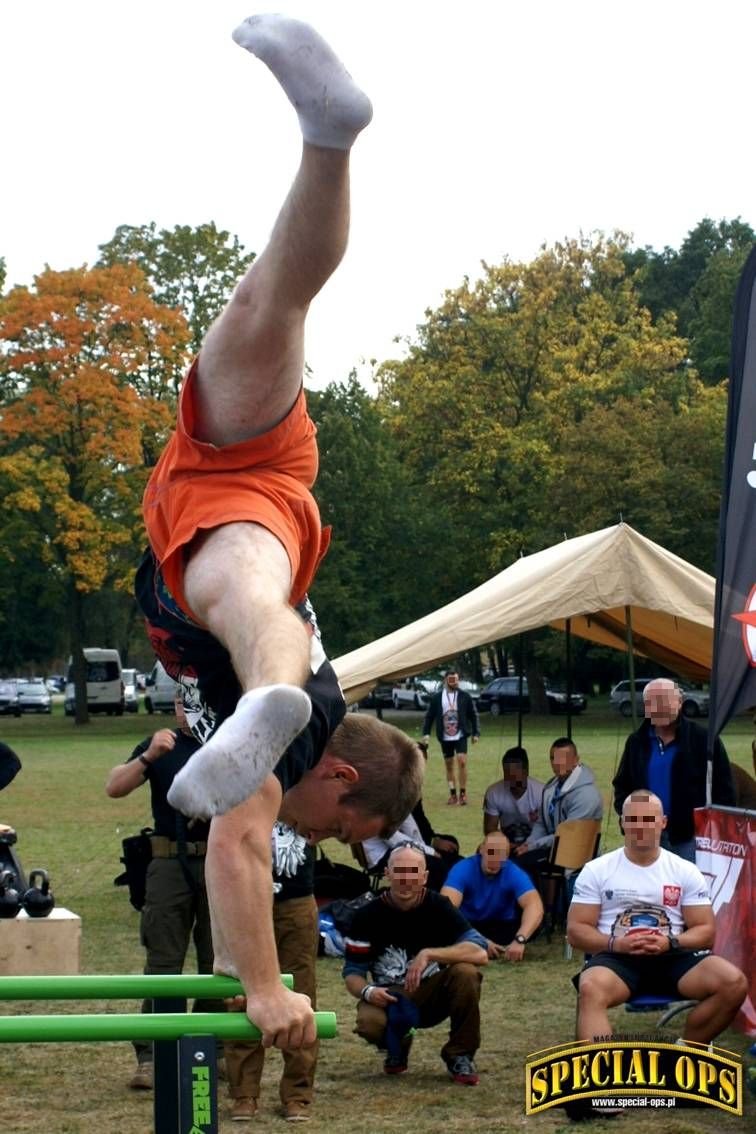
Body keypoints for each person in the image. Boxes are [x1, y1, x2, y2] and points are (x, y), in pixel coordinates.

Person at [133, 14, 425, 1050]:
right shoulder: (298, 743)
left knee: (274, 298)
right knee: (250, 597)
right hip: (226, 542)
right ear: (340, 780)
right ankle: (263, 680)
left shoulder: (322, 710)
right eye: (342, 831)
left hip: (245, 469)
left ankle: (328, 138)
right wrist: (262, 987)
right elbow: (240, 844)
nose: (328, 843)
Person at [567, 790, 747, 1044]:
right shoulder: (597, 870)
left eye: (649, 820)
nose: (641, 827)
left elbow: (706, 931)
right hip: (616, 957)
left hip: (674, 955)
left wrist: (671, 942)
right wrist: (616, 943)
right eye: (634, 819)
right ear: (622, 823)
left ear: (663, 822)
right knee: (590, 988)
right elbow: (576, 931)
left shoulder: (684, 870)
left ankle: (687, 1050)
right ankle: (601, 1071)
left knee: (734, 982)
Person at [105, 700, 220, 1090]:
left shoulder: (225, 739)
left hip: (220, 862)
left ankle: (209, 1050)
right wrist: (149, 757)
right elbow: (114, 787)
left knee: (217, 963)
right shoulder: (161, 743)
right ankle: (152, 1055)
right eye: (181, 702)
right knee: (163, 962)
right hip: (169, 861)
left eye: (195, 700)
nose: (187, 710)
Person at [342, 843, 488, 1084]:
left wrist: (430, 954)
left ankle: (460, 1054)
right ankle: (397, 1044)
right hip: (391, 996)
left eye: (413, 871)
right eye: (399, 870)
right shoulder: (365, 915)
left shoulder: (440, 906)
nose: (406, 878)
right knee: (369, 1023)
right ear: (387, 873)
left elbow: (479, 952)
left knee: (466, 973)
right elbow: (352, 972)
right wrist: (368, 991)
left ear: (424, 876)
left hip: (434, 992)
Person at [224, 825, 319, 1123]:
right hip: (246, 899)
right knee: (243, 993)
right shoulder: (243, 783)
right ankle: (244, 1093)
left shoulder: (305, 781)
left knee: (302, 995)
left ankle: (297, 1094)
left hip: (297, 898)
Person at [612, 678, 735, 862]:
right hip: (646, 836)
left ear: (679, 703)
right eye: (653, 701)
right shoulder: (636, 742)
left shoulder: (703, 740)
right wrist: (630, 818)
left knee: (689, 888)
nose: (659, 706)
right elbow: (623, 785)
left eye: (665, 700)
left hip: (691, 837)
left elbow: (724, 789)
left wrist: (713, 829)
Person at [441, 832, 543, 960]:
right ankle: (475, 943)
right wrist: (479, 939)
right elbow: (446, 907)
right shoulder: (463, 869)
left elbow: (534, 905)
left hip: (501, 925)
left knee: (534, 924)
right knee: (445, 925)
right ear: (481, 850)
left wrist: (520, 939)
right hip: (469, 924)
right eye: (491, 852)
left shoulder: (512, 871)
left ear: (506, 857)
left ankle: (480, 944)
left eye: (500, 855)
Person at [513, 737, 603, 880]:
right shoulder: (551, 787)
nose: (556, 763)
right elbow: (541, 823)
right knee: (512, 857)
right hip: (553, 848)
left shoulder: (587, 795)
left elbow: (568, 836)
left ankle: (536, 901)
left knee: (521, 864)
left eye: (563, 758)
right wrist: (529, 842)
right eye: (553, 758)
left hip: (575, 854)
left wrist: (533, 846)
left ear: (576, 760)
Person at [422, 671, 480, 806]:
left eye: (457, 680)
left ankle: (463, 793)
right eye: (452, 680)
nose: (455, 683)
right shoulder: (437, 698)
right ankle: (453, 794)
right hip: (445, 736)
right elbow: (429, 716)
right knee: (449, 765)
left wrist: (476, 733)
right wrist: (426, 733)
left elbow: (473, 715)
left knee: (462, 761)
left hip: (460, 734)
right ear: (445, 680)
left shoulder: (464, 696)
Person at [482, 746, 544, 843]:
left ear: (526, 771)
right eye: (508, 772)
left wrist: (529, 845)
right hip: (503, 845)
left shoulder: (541, 793)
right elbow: (490, 830)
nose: (512, 777)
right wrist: (506, 845)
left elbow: (547, 828)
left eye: (516, 772)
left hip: (534, 844)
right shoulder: (493, 793)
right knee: (483, 852)